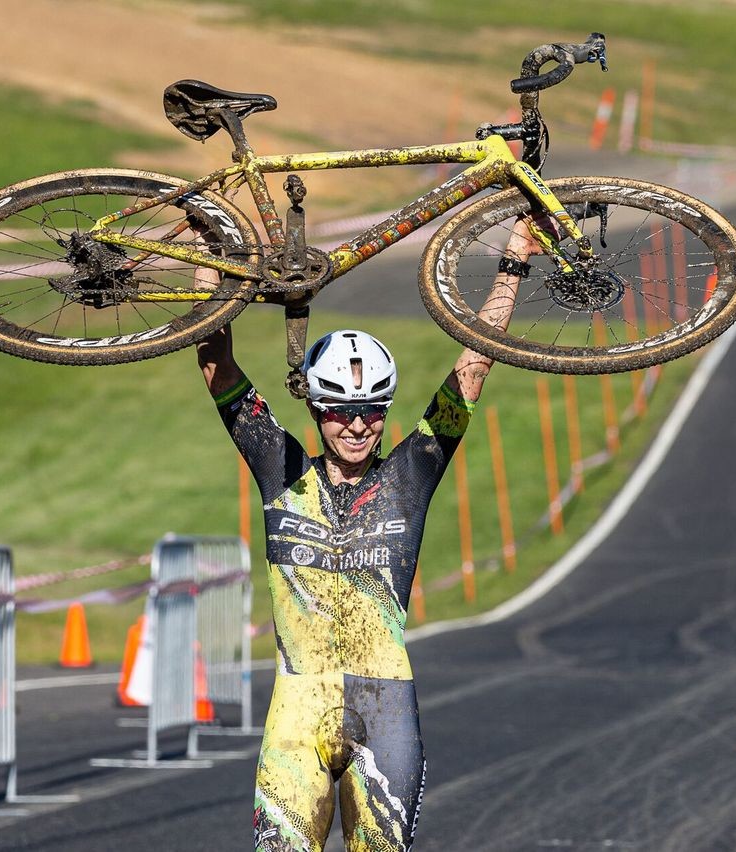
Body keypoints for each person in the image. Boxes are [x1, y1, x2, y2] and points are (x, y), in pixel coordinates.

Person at [197, 218, 545, 851]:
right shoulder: (281, 469)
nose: (356, 427)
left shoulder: (411, 474)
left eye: (372, 410)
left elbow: (474, 365)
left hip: (385, 713)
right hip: (298, 708)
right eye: (340, 411)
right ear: (316, 411)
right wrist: (205, 269)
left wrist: (515, 259)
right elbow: (217, 366)